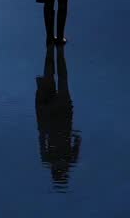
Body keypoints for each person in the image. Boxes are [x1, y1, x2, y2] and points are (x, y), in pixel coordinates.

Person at [35, 43, 81, 189]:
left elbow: (77, 139)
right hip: (53, 118)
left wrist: (70, 132)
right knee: (54, 78)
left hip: (62, 117)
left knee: (62, 79)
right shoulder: (49, 160)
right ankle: (55, 51)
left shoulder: (66, 159)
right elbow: (42, 136)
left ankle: (55, 50)